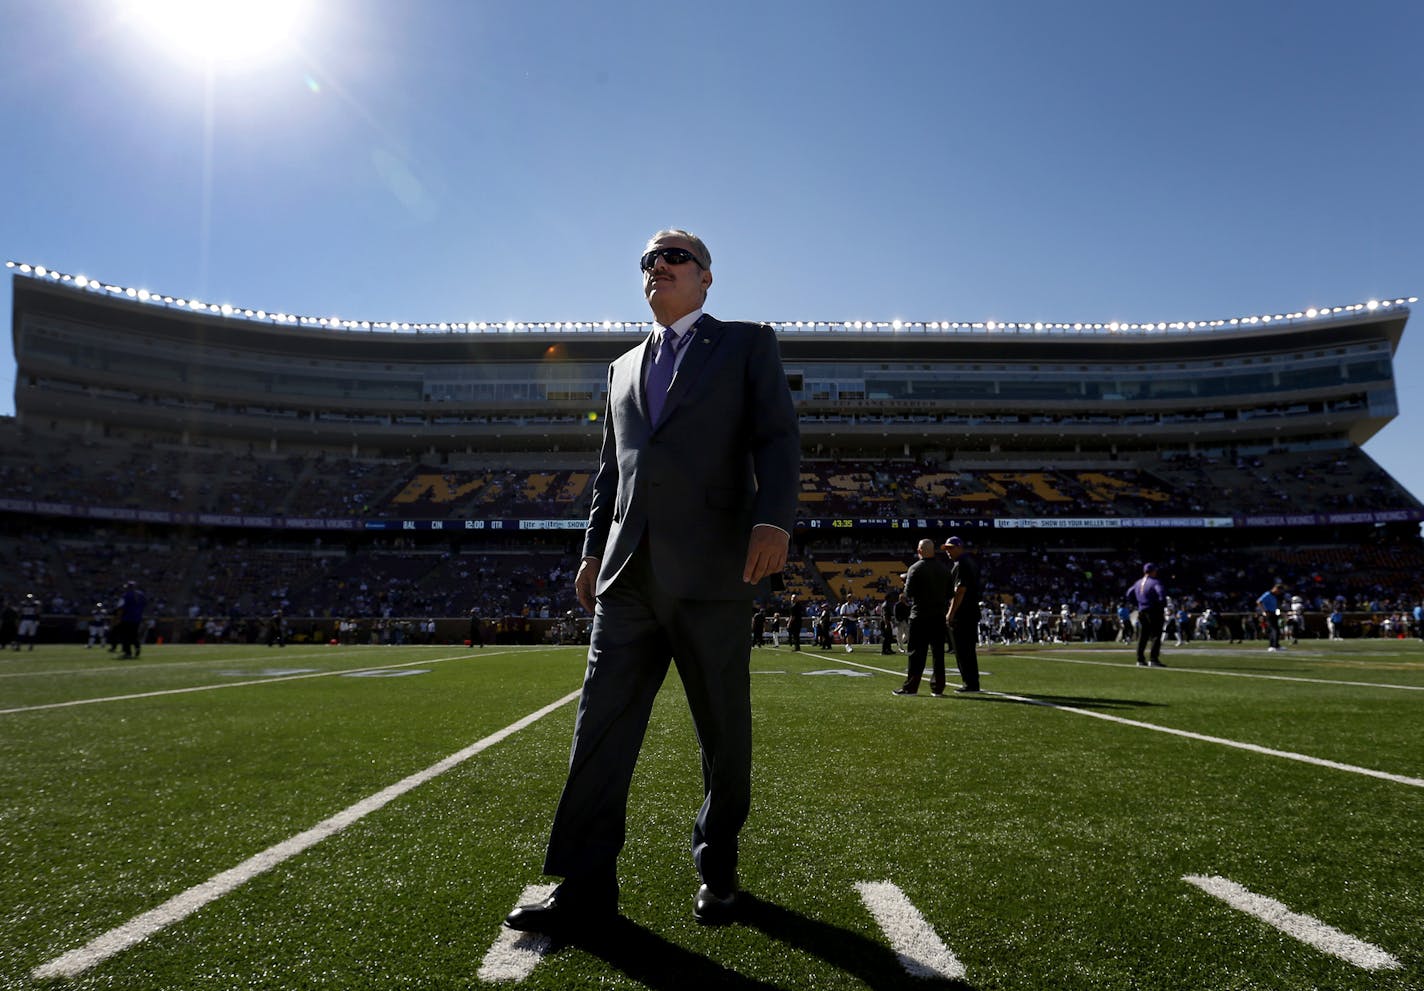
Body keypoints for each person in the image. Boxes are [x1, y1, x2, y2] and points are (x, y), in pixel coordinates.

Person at [505, 229, 799, 935]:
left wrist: (774, 521)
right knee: (598, 729)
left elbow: (778, 438)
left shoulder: (747, 343)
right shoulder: (621, 368)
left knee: (724, 734)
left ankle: (718, 865)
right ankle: (584, 885)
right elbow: (612, 472)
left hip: (714, 569)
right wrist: (588, 552)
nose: (658, 267)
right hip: (627, 573)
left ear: (705, 278)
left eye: (674, 257)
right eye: (649, 260)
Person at [893, 539, 952, 696]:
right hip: (939, 615)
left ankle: (911, 687)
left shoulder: (915, 568)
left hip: (920, 615)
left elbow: (908, 594)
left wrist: (906, 584)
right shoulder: (944, 568)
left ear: (919, 551)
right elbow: (949, 593)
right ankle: (938, 688)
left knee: (916, 654)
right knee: (938, 654)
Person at [944, 536, 984, 692]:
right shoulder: (969, 562)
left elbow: (960, 591)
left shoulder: (961, 564)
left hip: (963, 613)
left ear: (959, 547)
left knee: (963, 651)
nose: (948, 551)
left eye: (951, 548)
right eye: (947, 548)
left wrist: (950, 613)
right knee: (968, 650)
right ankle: (972, 682)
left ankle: (970, 683)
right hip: (971, 611)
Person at [1126, 563, 1166, 668]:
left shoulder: (1138, 583)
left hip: (1141, 610)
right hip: (1153, 610)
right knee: (1156, 635)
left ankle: (1140, 659)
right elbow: (1161, 594)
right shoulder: (1155, 582)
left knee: (1143, 635)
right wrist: (1161, 604)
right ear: (1153, 571)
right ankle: (1153, 659)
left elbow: (1129, 593)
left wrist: (1137, 603)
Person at [116, 581, 147, 658]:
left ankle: (128, 652)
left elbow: (120, 607)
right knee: (134, 635)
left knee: (125, 636)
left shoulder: (126, 595)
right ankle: (137, 647)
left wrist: (118, 618)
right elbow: (145, 605)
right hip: (137, 618)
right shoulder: (141, 595)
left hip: (127, 618)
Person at [1258, 582, 1285, 652]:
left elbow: (1276, 606)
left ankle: (1276, 645)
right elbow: (1259, 602)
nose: (1279, 593)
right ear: (1275, 589)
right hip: (1269, 613)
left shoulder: (1274, 596)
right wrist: (1264, 611)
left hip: (1274, 613)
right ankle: (1273, 646)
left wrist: (1279, 612)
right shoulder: (1267, 594)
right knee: (1274, 629)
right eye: (1279, 591)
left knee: (1276, 630)